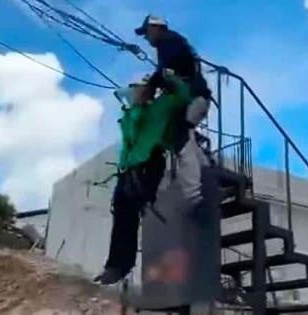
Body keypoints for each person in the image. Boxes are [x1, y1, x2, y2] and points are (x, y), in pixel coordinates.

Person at [94, 72, 192, 285]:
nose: (135, 92)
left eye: (139, 88)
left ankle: (129, 266)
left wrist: (168, 78)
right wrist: (136, 104)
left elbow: (183, 96)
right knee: (122, 217)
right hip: (129, 169)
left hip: (149, 164)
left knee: (138, 213)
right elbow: (130, 135)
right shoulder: (131, 112)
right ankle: (116, 265)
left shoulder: (161, 106)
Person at [135, 15, 212, 211]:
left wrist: (150, 87)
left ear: (156, 28)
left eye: (146, 32)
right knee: (186, 135)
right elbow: (169, 70)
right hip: (198, 98)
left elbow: (167, 67)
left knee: (180, 139)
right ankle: (206, 169)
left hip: (193, 97)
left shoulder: (168, 42)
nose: (146, 38)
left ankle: (194, 194)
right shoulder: (175, 42)